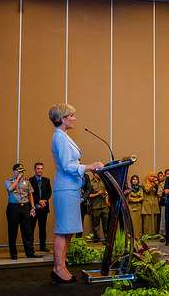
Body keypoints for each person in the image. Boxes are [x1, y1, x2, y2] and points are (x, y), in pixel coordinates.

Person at [49, 103, 104, 283]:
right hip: (65, 188)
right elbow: (66, 166)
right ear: (63, 119)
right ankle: (57, 268)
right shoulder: (59, 137)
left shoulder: (63, 136)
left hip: (70, 187)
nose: (74, 118)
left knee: (68, 231)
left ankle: (62, 265)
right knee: (63, 229)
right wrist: (89, 167)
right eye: (71, 116)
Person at [5, 163, 40, 260]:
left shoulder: (27, 182)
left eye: (22, 171)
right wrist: (18, 179)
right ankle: (13, 254)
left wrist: (33, 207)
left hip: (24, 207)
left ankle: (30, 252)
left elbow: (30, 195)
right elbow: (10, 188)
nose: (21, 173)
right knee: (13, 231)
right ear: (14, 172)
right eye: (19, 171)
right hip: (13, 208)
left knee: (27, 231)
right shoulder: (9, 181)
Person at [29, 162, 52, 252]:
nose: (40, 170)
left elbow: (49, 192)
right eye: (38, 169)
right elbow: (30, 194)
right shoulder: (30, 180)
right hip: (34, 207)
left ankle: (43, 246)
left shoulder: (47, 180)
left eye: (41, 169)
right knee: (31, 228)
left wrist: (43, 201)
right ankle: (30, 247)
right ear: (35, 170)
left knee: (42, 228)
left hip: (44, 208)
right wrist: (39, 201)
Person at [90, 172, 110, 242]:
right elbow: (89, 195)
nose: (99, 175)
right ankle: (96, 239)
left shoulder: (103, 181)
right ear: (94, 174)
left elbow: (108, 190)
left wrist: (106, 192)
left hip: (104, 206)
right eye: (98, 174)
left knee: (106, 224)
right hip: (95, 206)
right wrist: (98, 194)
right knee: (96, 225)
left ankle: (107, 239)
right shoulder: (91, 183)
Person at [75, 172, 92, 238]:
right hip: (71, 203)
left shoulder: (85, 176)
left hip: (82, 203)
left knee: (80, 222)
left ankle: (78, 240)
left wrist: (82, 199)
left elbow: (89, 189)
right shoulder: (70, 175)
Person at [127, 175, 144, 239]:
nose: (135, 181)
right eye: (133, 179)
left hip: (138, 207)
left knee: (138, 223)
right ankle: (131, 236)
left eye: (136, 179)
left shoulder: (140, 188)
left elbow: (142, 197)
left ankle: (138, 236)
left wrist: (135, 200)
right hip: (131, 207)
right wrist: (132, 199)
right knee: (131, 222)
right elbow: (128, 197)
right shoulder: (129, 188)